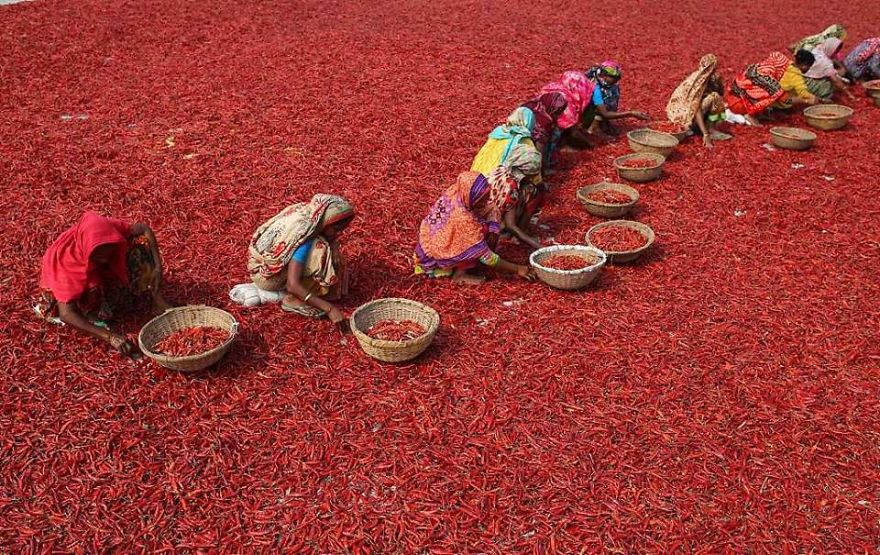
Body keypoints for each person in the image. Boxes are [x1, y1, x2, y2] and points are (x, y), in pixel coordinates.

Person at [35, 212, 171, 355]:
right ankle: (95, 312)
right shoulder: (66, 262)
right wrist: (109, 337)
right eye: (98, 256)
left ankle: (157, 300)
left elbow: (144, 229)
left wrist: (157, 268)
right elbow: (67, 313)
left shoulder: (107, 229)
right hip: (69, 289)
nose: (105, 259)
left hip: (96, 270)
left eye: (108, 253)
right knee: (93, 303)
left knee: (139, 244)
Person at [246, 194, 354, 322]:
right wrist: (329, 309)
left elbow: (331, 237)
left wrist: (334, 245)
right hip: (267, 277)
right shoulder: (304, 237)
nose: (339, 233)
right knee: (321, 251)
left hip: (261, 264)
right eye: (336, 229)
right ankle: (292, 299)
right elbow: (293, 285)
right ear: (326, 221)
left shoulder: (311, 213)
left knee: (328, 250)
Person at [414, 172, 535, 285]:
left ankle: (474, 259)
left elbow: (490, 208)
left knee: (492, 210)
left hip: (440, 238)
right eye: (482, 198)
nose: (486, 200)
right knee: (476, 241)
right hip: (434, 256)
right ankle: (459, 275)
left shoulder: (457, 192)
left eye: (487, 195)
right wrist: (518, 269)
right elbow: (485, 256)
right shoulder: (462, 219)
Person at [665, 54, 730, 148]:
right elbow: (696, 108)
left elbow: (721, 92)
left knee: (714, 97)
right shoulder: (701, 81)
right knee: (715, 97)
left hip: (678, 117)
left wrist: (718, 82)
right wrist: (705, 134)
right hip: (687, 117)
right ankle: (710, 130)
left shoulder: (695, 77)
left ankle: (694, 128)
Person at [487, 145, 544, 249]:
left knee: (532, 190)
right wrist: (536, 245)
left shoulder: (503, 169)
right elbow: (511, 225)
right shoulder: (511, 188)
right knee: (533, 192)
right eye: (531, 175)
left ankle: (516, 233)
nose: (533, 177)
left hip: (493, 211)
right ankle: (514, 235)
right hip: (490, 221)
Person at [580, 61, 649, 138]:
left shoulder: (609, 85)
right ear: (604, 75)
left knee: (612, 94)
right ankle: (593, 128)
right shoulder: (595, 87)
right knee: (604, 105)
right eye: (613, 78)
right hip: (581, 114)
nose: (615, 81)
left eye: (617, 79)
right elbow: (605, 113)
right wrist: (631, 113)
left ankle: (601, 122)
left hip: (591, 110)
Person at [725, 52, 793, 126]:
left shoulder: (759, 67)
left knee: (767, 91)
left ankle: (759, 114)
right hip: (739, 105)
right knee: (775, 93)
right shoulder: (765, 76)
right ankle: (750, 115)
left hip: (734, 100)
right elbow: (784, 98)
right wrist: (804, 99)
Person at [471, 107, 537, 176]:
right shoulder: (524, 139)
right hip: (498, 179)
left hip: (478, 175)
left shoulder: (498, 131)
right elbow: (533, 165)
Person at [520, 92, 567, 170]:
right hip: (523, 143)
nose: (559, 114)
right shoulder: (543, 121)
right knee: (552, 135)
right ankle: (540, 168)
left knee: (555, 131)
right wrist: (542, 166)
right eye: (557, 111)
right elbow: (540, 147)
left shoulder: (538, 104)